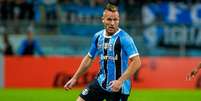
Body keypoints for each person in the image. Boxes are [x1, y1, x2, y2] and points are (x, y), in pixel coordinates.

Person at [64, 3, 141, 101]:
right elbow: (89, 58)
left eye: (115, 20)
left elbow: (137, 62)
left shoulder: (125, 38)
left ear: (119, 20)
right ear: (103, 20)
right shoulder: (98, 36)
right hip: (100, 83)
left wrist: (120, 81)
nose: (112, 23)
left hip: (119, 88)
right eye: (109, 19)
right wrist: (75, 78)